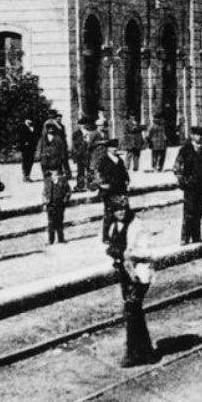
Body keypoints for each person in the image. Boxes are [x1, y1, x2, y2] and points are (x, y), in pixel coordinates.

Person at [103, 205, 157, 367]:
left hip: (139, 274)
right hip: (125, 273)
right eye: (116, 209)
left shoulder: (138, 226)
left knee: (131, 310)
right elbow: (111, 245)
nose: (120, 213)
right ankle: (146, 352)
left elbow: (147, 251)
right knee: (135, 312)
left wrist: (130, 253)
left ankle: (132, 354)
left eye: (123, 209)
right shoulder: (114, 225)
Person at [174, 127, 202, 244]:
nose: (199, 137)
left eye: (201, 135)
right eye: (197, 135)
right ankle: (185, 237)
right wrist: (184, 182)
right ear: (192, 136)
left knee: (199, 212)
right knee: (189, 212)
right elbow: (177, 168)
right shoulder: (185, 150)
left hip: (201, 186)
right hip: (190, 187)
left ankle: (196, 236)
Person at [38, 122, 72, 245]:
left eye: (52, 129)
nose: (50, 131)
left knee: (59, 220)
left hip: (56, 163)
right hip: (47, 165)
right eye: (48, 129)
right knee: (51, 221)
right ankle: (51, 239)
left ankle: (60, 238)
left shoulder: (58, 139)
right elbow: (40, 151)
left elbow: (63, 154)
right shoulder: (43, 139)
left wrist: (64, 168)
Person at [97, 139, 131, 230]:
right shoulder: (103, 161)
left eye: (116, 147)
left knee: (124, 213)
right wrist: (102, 184)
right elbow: (98, 175)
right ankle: (106, 236)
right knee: (109, 214)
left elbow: (124, 173)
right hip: (109, 191)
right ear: (108, 148)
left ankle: (121, 234)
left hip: (120, 190)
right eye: (112, 147)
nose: (115, 149)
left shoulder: (119, 160)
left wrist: (127, 181)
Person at [71, 119, 92, 191]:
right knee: (80, 171)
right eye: (81, 124)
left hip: (88, 154)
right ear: (79, 125)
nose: (83, 126)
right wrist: (83, 140)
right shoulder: (76, 133)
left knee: (89, 170)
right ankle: (80, 185)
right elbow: (74, 144)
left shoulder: (90, 132)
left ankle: (90, 185)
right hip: (80, 154)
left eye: (84, 124)